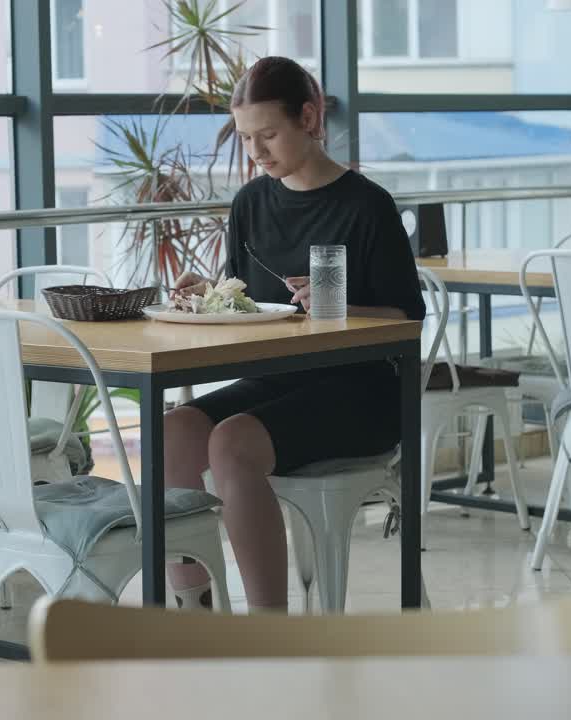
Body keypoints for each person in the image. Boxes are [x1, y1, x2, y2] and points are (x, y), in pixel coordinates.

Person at [166, 56, 426, 612]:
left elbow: (408, 317)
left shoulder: (367, 206)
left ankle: (270, 629)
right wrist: (211, 295)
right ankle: (195, 610)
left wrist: (345, 306)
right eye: (246, 139)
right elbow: (245, 295)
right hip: (280, 379)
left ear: (308, 117)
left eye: (268, 135)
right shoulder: (250, 204)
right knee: (175, 432)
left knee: (231, 443)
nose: (257, 153)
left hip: (364, 390)